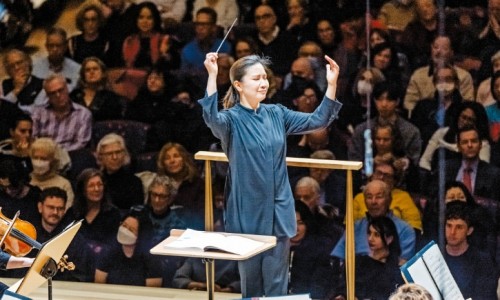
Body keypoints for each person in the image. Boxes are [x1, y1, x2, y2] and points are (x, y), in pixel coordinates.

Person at [199, 51, 342, 297]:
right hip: (248, 213)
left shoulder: (276, 113)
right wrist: (212, 76)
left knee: (277, 288)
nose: (263, 83)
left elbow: (319, 120)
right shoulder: (231, 120)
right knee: (252, 288)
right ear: (239, 85)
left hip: (279, 210)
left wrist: (331, 84)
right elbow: (211, 118)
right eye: (256, 78)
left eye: (264, 77)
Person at [331, 180, 416, 264]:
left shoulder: (405, 230)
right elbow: (338, 258)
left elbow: (404, 265)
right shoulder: (355, 228)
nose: (373, 202)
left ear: (389, 200)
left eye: (379, 197)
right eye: (369, 197)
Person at [331, 216, 404, 300]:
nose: (370, 238)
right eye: (369, 233)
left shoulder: (395, 269)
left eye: (376, 235)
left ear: (389, 239)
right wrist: (342, 296)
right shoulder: (357, 262)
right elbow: (343, 287)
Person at [35, 187, 94, 282]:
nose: (55, 212)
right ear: (40, 207)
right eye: (51, 207)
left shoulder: (75, 239)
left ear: (65, 210)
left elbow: (81, 276)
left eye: (60, 208)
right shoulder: (30, 235)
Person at [443, 201, 498, 299]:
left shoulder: (483, 262)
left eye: (459, 227)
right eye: (449, 225)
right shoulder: (433, 255)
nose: (452, 232)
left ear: (469, 231)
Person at [95, 213, 163, 287]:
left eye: (131, 229)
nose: (125, 231)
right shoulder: (108, 252)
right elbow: (99, 285)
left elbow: (152, 292)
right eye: (124, 225)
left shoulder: (152, 258)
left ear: (141, 235)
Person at [66, 168, 121, 255]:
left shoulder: (113, 214)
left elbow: (115, 247)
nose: (97, 189)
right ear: (83, 190)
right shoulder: (72, 213)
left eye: (100, 185)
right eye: (91, 185)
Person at [288, 200, 335, 299]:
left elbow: (319, 288)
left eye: (300, 223)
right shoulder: (272, 250)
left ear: (307, 224)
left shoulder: (319, 250)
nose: (295, 228)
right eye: (290, 223)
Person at [31, 74, 92, 152]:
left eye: (61, 90)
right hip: (43, 155)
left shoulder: (84, 114)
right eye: (53, 93)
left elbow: (81, 143)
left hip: (71, 156)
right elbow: (34, 138)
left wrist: (58, 153)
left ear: (67, 89)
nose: (58, 95)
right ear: (47, 95)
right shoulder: (38, 112)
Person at [122, 2, 177, 70]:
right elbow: (127, 66)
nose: (145, 21)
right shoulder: (130, 40)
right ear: (136, 20)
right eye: (141, 17)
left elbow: (173, 66)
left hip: (157, 78)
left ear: (155, 20)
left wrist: (164, 54)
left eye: (149, 18)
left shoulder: (163, 39)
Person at [96, 133, 144, 211]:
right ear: (101, 157)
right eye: (109, 153)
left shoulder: (134, 182)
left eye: (118, 152)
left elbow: (137, 212)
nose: (114, 157)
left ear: (124, 154)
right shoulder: (95, 181)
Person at [70, 57, 124, 122]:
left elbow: (115, 123)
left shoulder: (111, 98)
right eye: (87, 70)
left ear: (103, 74)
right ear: (83, 75)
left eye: (95, 69)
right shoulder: (74, 95)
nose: (91, 72)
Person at [180, 7, 231, 73]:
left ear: (214, 27)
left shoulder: (225, 47)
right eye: (198, 24)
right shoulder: (187, 51)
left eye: (204, 24)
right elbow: (184, 78)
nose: (200, 28)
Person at [29, 138, 74, 209]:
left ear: (53, 161)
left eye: (43, 158)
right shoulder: (26, 180)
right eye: (35, 157)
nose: (38, 162)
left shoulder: (64, 184)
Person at [1, 48, 46, 114]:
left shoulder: (42, 84)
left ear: (28, 62)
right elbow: (3, 112)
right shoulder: (4, 85)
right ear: (8, 71)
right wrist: (17, 89)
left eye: (19, 63)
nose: (16, 68)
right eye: (11, 66)